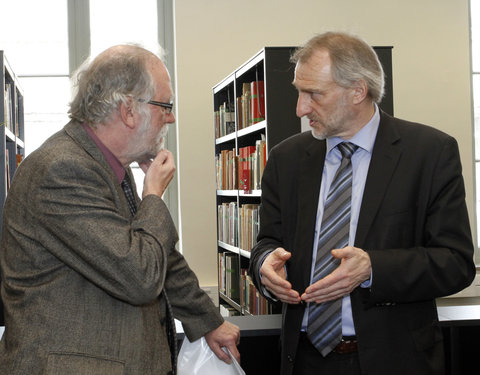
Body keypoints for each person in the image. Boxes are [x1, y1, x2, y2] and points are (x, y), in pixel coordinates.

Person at [0, 44, 240, 375]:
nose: (170, 117)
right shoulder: (61, 170)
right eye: (165, 106)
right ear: (128, 110)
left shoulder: (110, 166)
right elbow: (139, 274)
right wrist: (153, 195)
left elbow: (160, 256)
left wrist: (208, 320)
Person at [248, 31, 476, 375]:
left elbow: (456, 262)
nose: (300, 108)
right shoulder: (286, 160)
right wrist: (265, 264)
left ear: (358, 91)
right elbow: (268, 242)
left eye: (314, 94)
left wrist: (372, 269)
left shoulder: (429, 153)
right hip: (304, 360)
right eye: (299, 92)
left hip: (395, 360)